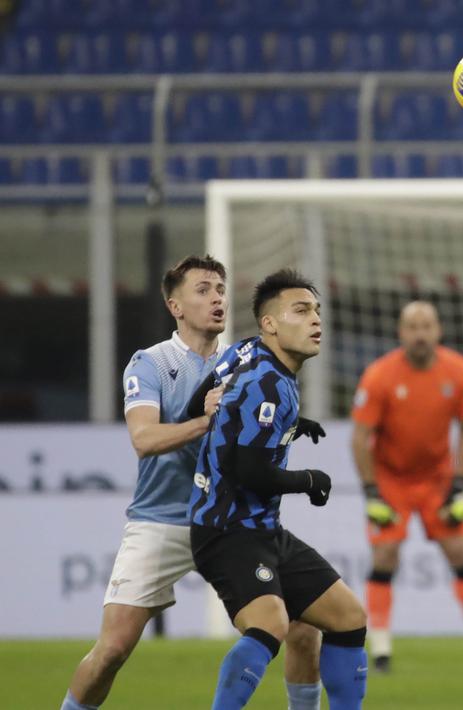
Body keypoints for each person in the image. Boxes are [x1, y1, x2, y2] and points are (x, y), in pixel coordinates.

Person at [61, 256, 323, 710]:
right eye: (202, 289)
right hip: (162, 519)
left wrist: (289, 423)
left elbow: (252, 427)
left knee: (304, 626)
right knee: (112, 652)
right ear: (174, 305)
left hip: (231, 521)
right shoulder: (151, 364)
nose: (217, 297)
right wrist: (207, 420)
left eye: (220, 288)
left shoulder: (242, 359)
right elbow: (144, 439)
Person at [189, 269, 367, 710]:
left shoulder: (248, 353)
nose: (316, 321)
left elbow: (200, 403)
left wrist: (281, 425)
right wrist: (309, 481)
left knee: (347, 617)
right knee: (271, 625)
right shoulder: (267, 383)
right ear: (270, 323)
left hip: (261, 530)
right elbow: (247, 470)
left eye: (317, 311)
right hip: (228, 532)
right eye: (302, 311)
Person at [351, 301, 463, 675]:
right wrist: (372, 490)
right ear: (400, 333)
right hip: (392, 480)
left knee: (462, 552)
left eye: (426, 326)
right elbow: (359, 438)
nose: (419, 334)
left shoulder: (460, 371)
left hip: (437, 480)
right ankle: (381, 652)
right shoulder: (379, 376)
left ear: (438, 330)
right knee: (385, 555)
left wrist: (460, 484)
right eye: (412, 327)